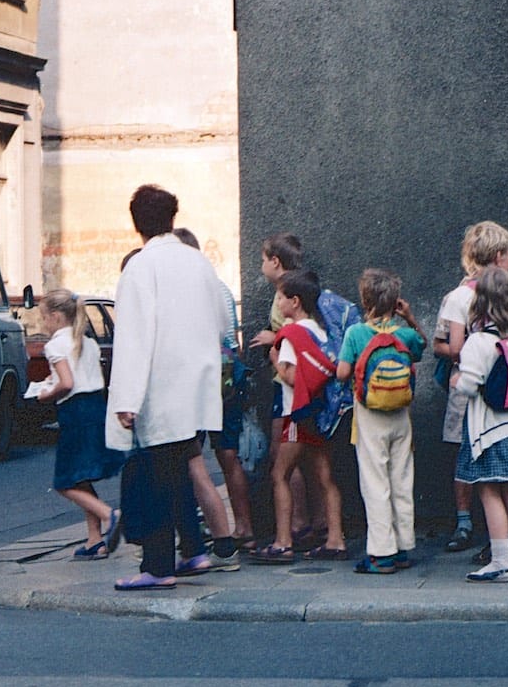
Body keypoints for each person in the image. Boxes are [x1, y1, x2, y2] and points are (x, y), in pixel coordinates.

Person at [106, 184, 233, 590]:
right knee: (180, 469)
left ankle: (158, 566)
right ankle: (193, 550)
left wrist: (126, 397)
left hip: (159, 384)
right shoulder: (199, 262)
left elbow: (133, 336)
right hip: (196, 383)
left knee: (158, 475)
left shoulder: (141, 267)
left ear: (135, 223)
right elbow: (221, 322)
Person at [436, 221, 508, 561]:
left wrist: (480, 353)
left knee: (483, 466)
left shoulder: (459, 296)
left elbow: (452, 348)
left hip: (482, 391)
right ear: (500, 255)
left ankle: (493, 540)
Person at [450, 268, 508, 583]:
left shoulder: (478, 342)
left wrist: (457, 378)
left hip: (487, 432)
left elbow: (470, 386)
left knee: (488, 492)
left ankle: (500, 561)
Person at [336, 268, 426, 574]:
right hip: (401, 415)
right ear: (395, 302)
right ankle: (403, 547)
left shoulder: (356, 334)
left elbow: (343, 374)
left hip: (370, 414)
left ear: (365, 299)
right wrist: (410, 319)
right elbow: (421, 348)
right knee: (401, 480)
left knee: (375, 483)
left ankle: (381, 553)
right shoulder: (405, 335)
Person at [252, 272, 345, 564]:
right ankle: (336, 539)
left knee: (279, 474)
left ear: (294, 301)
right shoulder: (319, 330)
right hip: (321, 415)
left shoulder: (291, 334)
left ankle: (283, 542)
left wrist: (275, 361)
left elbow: (294, 378)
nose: (277, 302)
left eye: (280, 297)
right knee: (326, 477)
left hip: (296, 414)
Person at [176, 227, 253, 563]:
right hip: (227, 378)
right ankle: (243, 527)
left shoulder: (190, 290)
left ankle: (205, 528)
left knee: (192, 457)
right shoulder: (219, 286)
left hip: (201, 379)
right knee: (227, 454)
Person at [37, 288, 124, 558]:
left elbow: (66, 383)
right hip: (97, 407)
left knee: (65, 481)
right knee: (81, 476)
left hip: (75, 413)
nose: (43, 324)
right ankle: (94, 538)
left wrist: (45, 394)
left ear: (55, 316)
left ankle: (109, 515)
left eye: (43, 318)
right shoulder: (87, 341)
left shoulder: (55, 345)